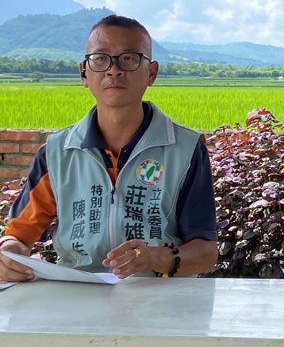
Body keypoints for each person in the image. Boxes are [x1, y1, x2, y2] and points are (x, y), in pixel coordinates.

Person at [0, 15, 218, 282]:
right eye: (100, 58)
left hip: (160, 302)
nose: (113, 70)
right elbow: (18, 236)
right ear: (84, 73)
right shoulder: (57, 153)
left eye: (129, 58)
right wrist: (9, 254)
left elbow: (206, 252)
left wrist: (153, 258)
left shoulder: (185, 149)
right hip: (78, 296)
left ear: (151, 73)